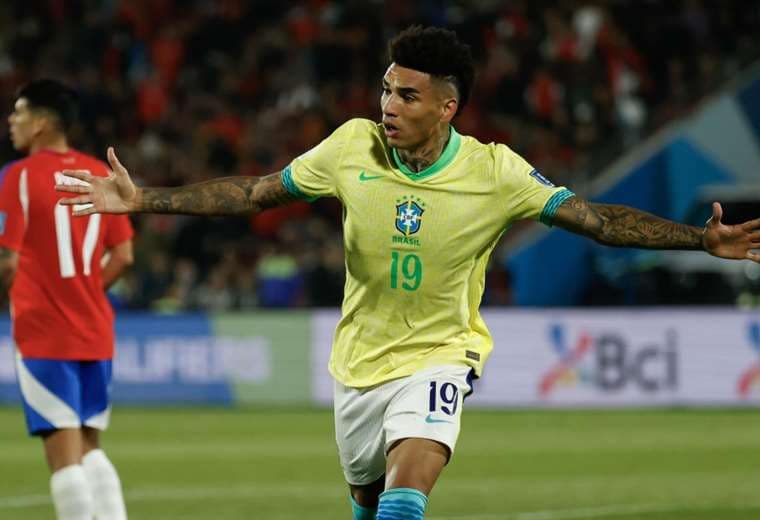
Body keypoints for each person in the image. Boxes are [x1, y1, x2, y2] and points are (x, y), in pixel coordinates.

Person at [57, 26, 759, 520]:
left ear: (447, 107)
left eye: (408, 96)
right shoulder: (349, 147)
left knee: (404, 495)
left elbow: (598, 222)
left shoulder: (495, 170)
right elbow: (253, 193)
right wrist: (145, 198)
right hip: (358, 362)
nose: (389, 106)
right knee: (366, 500)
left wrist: (700, 239)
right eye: (386, 91)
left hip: (441, 355)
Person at [1, 79, 134, 520]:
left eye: (18, 113)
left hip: (43, 332)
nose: (11, 122)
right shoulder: (98, 171)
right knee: (90, 446)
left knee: (63, 458)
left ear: (40, 123)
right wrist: (85, 292)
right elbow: (124, 255)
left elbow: (7, 261)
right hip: (95, 326)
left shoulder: (17, 177)